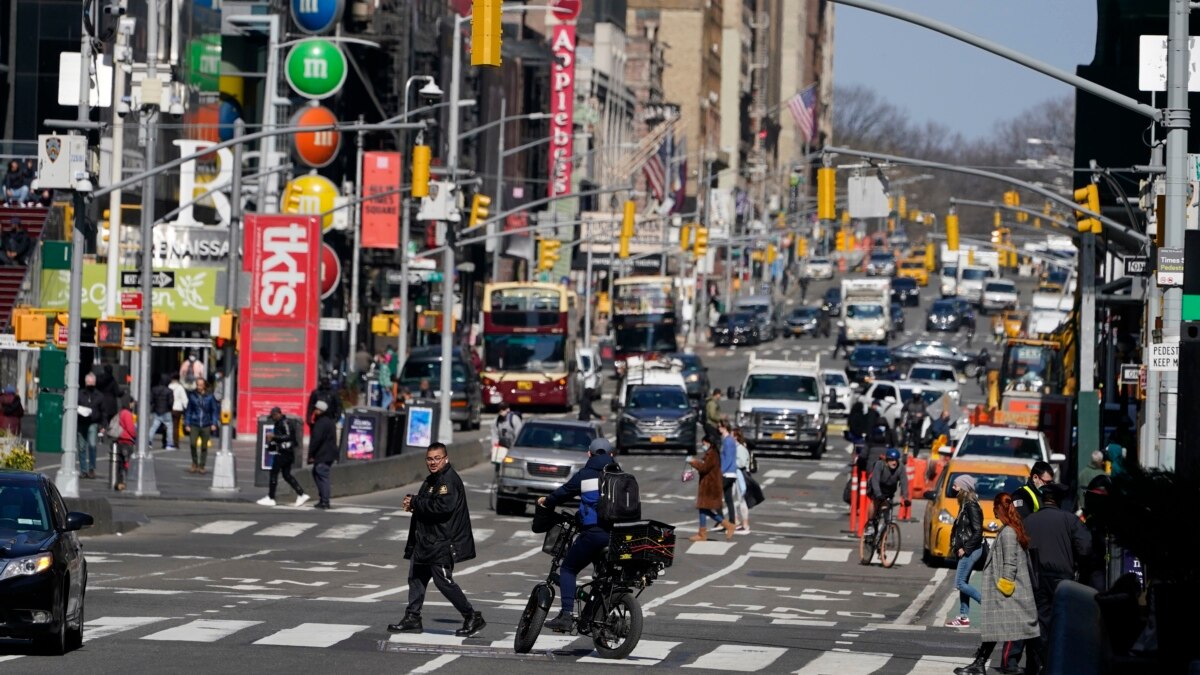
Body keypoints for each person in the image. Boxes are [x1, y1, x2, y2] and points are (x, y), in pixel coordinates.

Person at [388, 442, 485, 636]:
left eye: (437, 458)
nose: (433, 462)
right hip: (425, 541)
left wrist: (415, 502)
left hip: (442, 542)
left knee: (443, 582)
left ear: (446, 459)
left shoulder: (447, 480)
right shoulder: (433, 480)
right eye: (429, 459)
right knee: (416, 577)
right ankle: (413, 618)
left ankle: (472, 616)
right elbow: (427, 503)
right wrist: (413, 503)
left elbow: (443, 507)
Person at [532, 437, 620, 633]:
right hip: (618, 536)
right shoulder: (621, 476)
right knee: (602, 577)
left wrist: (547, 501)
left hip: (594, 533)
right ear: (611, 455)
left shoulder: (586, 475)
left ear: (589, 454)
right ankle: (593, 614)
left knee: (568, 569)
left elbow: (564, 493)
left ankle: (566, 615)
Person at [955, 493, 1041, 675]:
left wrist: (1004, 587)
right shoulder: (1010, 529)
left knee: (1014, 630)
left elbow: (1010, 563)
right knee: (998, 628)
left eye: (995, 509)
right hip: (1011, 592)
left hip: (1010, 593)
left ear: (999, 509)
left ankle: (987, 664)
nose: (993, 512)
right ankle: (980, 663)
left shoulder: (1009, 532)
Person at [1024, 482, 1090, 659]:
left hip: (1035, 578)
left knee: (1038, 622)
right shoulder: (1070, 520)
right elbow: (1085, 548)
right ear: (1059, 500)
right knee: (1061, 622)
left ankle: (1037, 662)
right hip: (1062, 579)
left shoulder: (1029, 520)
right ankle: (1055, 660)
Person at [946, 474, 984, 628]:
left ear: (964, 487)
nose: (954, 488)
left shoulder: (971, 505)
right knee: (964, 582)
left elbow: (978, 531)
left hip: (971, 550)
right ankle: (963, 617)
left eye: (956, 485)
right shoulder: (965, 504)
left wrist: (965, 548)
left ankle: (986, 603)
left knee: (960, 583)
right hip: (968, 549)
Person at [686, 436, 736, 542]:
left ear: (709, 443)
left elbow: (704, 468)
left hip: (710, 487)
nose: (703, 445)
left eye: (704, 443)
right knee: (703, 509)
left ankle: (727, 525)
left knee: (705, 509)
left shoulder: (712, 454)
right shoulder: (711, 453)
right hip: (708, 486)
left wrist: (693, 462)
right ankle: (703, 533)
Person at [257, 407, 309, 507]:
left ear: (278, 414)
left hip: (285, 452)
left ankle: (271, 497)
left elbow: (289, 437)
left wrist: (274, 437)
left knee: (274, 472)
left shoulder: (284, 422)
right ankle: (301, 494)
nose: (273, 419)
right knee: (286, 475)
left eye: (273, 416)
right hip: (285, 451)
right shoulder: (279, 423)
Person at [184, 378, 220, 474]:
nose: (199, 387)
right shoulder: (192, 396)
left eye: (200, 385)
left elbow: (214, 411)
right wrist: (187, 423)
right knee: (192, 444)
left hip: (206, 424)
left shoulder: (210, 397)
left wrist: (214, 423)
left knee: (204, 446)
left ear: (204, 385)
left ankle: (202, 465)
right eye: (197, 385)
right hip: (194, 423)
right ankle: (194, 463)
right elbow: (188, 411)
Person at [307, 399, 338, 509]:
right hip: (329, 454)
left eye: (316, 409)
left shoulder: (320, 423)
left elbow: (316, 440)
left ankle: (325, 501)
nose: (314, 411)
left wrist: (311, 455)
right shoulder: (330, 421)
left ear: (320, 410)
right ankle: (323, 499)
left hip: (323, 455)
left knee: (322, 475)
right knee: (317, 474)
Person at [867, 448, 910, 523]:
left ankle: (886, 528)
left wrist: (906, 498)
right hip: (876, 488)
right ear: (886, 461)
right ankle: (870, 523)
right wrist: (878, 494)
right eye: (891, 460)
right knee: (875, 502)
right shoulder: (880, 464)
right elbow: (875, 480)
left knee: (888, 512)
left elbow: (904, 482)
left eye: (896, 460)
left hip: (889, 490)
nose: (894, 463)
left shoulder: (901, 467)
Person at [77, 373, 103, 479]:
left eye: (92, 382)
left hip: (93, 422)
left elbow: (103, 411)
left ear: (95, 383)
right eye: (89, 382)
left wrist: (102, 425)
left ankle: (91, 468)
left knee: (92, 445)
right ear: (86, 382)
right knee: (82, 447)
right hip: (82, 421)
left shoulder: (99, 395)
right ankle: (83, 470)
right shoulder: (80, 394)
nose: (90, 384)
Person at [114, 397, 137, 492]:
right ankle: (126, 482)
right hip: (127, 440)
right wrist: (135, 435)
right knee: (127, 463)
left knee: (120, 464)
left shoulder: (121, 412)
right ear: (129, 403)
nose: (133, 405)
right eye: (132, 403)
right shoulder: (127, 414)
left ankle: (119, 482)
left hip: (120, 439)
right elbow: (130, 428)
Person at [718, 420, 739, 523]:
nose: (718, 429)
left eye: (720, 427)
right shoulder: (728, 440)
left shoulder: (728, 441)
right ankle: (731, 521)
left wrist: (721, 471)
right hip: (731, 473)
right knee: (728, 498)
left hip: (727, 473)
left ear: (724, 427)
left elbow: (728, 458)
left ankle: (721, 521)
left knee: (715, 496)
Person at [148, 374, 176, 450]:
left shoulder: (154, 389)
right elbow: (171, 402)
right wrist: (170, 408)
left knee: (153, 427)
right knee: (169, 427)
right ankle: (169, 444)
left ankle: (149, 442)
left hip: (156, 410)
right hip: (166, 411)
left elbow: (151, 400)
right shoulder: (169, 391)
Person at [732, 429, 752, 533]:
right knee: (731, 499)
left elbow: (742, 463)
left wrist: (730, 462)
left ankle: (745, 524)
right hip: (734, 476)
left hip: (740, 477)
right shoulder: (734, 448)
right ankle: (736, 522)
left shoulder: (740, 448)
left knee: (742, 500)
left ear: (735, 437)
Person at [169, 373, 188, 447]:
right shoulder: (180, 387)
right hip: (178, 408)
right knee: (176, 426)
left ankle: (168, 441)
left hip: (170, 408)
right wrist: (186, 407)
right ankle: (175, 442)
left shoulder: (169, 386)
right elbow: (184, 399)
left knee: (169, 425)